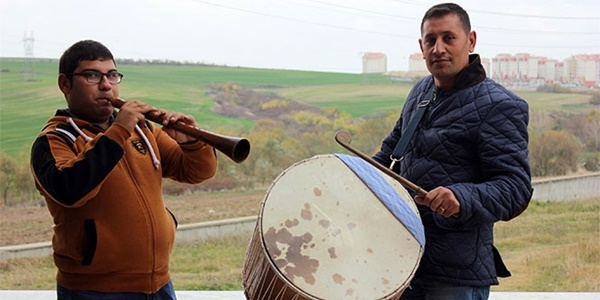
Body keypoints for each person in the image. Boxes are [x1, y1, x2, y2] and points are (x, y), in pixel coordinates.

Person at [30, 40, 218, 300]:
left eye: (112, 75)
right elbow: (71, 190)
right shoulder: (53, 140)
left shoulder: (143, 130)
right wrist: (119, 129)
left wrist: (191, 141)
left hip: (160, 283)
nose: (106, 85)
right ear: (65, 84)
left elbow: (197, 172)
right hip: (93, 291)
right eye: (92, 75)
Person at [372, 3, 533, 299]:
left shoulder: (500, 105)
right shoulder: (421, 91)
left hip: (454, 276)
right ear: (421, 46)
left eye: (449, 38)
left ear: (470, 41)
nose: (439, 48)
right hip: (402, 261)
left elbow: (516, 189)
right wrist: (348, 176)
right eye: (431, 40)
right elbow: (391, 154)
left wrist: (461, 197)